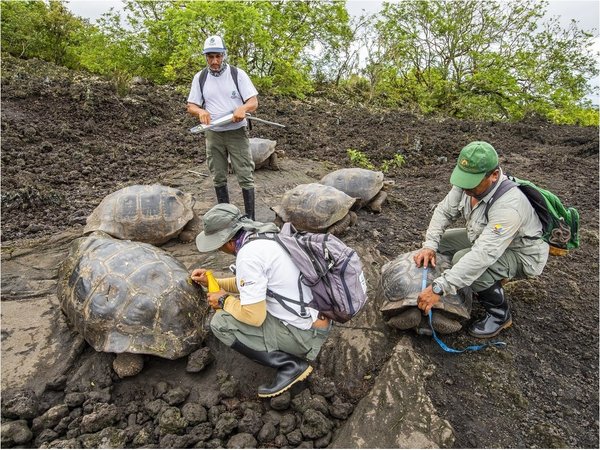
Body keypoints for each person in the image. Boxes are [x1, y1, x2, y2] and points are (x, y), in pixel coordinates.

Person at [191, 203, 331, 397]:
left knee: (220, 322)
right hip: (317, 319)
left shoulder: (248, 256)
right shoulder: (265, 235)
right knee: (242, 305)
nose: (219, 249)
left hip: (305, 336)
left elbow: (254, 317)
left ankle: (290, 366)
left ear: (228, 241)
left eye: (218, 244)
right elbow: (252, 283)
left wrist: (224, 301)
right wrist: (212, 281)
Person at [414, 141, 549, 338]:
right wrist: (429, 245)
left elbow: (483, 255)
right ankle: (469, 282)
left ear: (494, 175)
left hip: (522, 253)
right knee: (442, 243)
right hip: (482, 236)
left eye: (473, 182)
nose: (465, 187)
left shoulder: (509, 207)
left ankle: (500, 314)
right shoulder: (465, 185)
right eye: (463, 178)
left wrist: (439, 288)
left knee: (463, 258)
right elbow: (443, 212)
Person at [187, 35, 259, 219]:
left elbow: (253, 101)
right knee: (218, 175)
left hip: (236, 132)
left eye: (218, 56)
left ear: (224, 55)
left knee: (244, 174)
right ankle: (225, 217)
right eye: (210, 57)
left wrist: (243, 108)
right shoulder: (200, 77)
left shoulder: (237, 74)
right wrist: (200, 112)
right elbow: (191, 106)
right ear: (205, 57)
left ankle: (250, 218)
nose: (214, 61)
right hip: (213, 133)